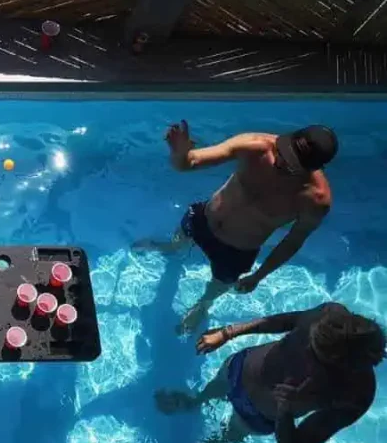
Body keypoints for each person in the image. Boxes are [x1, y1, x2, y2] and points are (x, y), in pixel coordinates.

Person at [134, 122, 336, 333]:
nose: (278, 161)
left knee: (217, 286)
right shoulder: (256, 145)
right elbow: (188, 163)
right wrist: (179, 153)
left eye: (289, 165)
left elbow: (293, 242)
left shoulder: (314, 199)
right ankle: (172, 249)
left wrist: (259, 276)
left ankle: (203, 305)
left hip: (237, 251)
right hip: (204, 219)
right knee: (180, 240)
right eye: (281, 152)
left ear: (313, 168)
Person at [155, 302, 383, 443]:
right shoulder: (328, 316)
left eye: (316, 359)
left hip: (257, 416)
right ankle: (197, 401)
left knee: (231, 434)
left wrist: (286, 410)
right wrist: (228, 333)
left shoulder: (355, 394)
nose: (305, 352)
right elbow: (286, 321)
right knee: (214, 387)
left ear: (341, 367)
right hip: (239, 368)